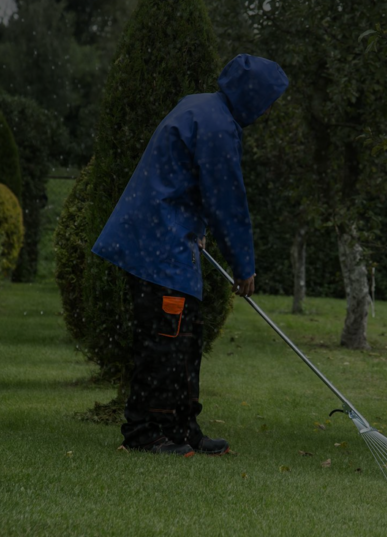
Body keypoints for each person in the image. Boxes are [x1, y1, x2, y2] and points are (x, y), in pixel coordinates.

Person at [91, 54, 289, 457]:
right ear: (253, 95)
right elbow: (227, 201)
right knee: (164, 341)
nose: (269, 110)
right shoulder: (216, 126)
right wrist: (244, 267)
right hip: (158, 245)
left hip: (167, 238)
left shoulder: (200, 105)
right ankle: (146, 432)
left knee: (186, 337)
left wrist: (193, 227)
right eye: (269, 101)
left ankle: (182, 427)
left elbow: (181, 177)